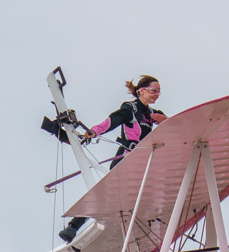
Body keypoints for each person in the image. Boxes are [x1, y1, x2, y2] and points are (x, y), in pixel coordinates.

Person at [60, 75, 168, 243]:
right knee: (106, 193)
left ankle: (148, 226)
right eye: (154, 90)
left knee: (140, 193)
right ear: (141, 90)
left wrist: (165, 121)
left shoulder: (152, 113)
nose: (157, 95)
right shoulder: (130, 108)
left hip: (140, 162)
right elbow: (111, 121)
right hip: (125, 159)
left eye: (159, 92)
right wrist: (94, 131)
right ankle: (73, 226)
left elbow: (172, 125)